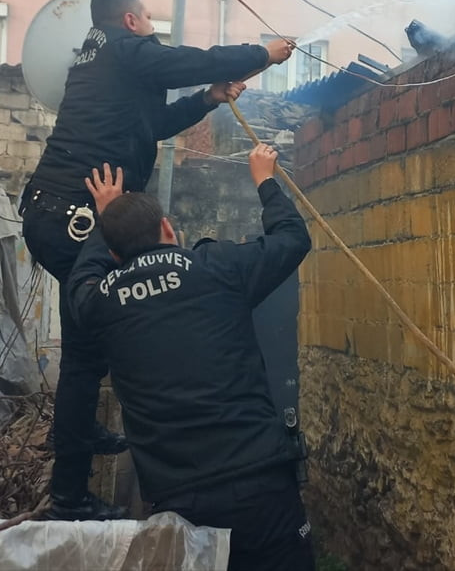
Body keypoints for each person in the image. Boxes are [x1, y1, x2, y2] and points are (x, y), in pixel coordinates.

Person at [20, 0, 294, 520]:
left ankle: (74, 441)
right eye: (147, 18)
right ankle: (69, 495)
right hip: (74, 216)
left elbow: (152, 126)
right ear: (129, 21)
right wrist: (263, 54)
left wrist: (208, 100)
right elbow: (187, 61)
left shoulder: (105, 64)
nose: (152, 26)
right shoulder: (123, 49)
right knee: (83, 351)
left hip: (62, 213)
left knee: (85, 348)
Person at [68, 151, 315, 570]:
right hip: (261, 483)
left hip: (181, 504)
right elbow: (293, 238)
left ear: (112, 254)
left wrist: (106, 220)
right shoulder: (218, 267)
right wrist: (264, 180)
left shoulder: (100, 302)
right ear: (167, 227)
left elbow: (80, 282)